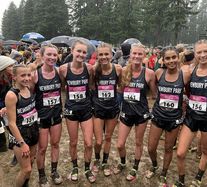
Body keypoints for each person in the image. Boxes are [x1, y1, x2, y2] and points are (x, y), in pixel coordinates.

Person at [174, 40, 207, 187]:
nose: (203, 55)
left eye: (206, 51)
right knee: (180, 153)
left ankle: (198, 178)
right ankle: (181, 180)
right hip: (191, 117)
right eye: (199, 52)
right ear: (195, 53)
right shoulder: (189, 71)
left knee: (205, 151)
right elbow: (177, 86)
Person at [145, 47, 190, 186]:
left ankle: (164, 172)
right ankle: (154, 165)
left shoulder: (185, 75)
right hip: (158, 116)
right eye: (167, 58)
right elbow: (154, 92)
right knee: (151, 148)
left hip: (174, 119)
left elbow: (190, 92)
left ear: (178, 58)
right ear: (163, 60)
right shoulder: (158, 73)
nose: (171, 61)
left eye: (173, 57)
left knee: (168, 148)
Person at [114, 43, 156, 181]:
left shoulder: (149, 73)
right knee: (120, 144)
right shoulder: (123, 71)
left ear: (144, 56)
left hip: (141, 114)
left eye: (140, 54)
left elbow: (154, 93)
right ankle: (123, 162)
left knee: (138, 142)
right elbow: (120, 90)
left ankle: (135, 167)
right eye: (135, 54)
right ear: (130, 55)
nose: (137, 56)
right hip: (126, 112)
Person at [59, 40, 95, 183]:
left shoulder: (89, 68)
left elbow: (91, 85)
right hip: (71, 111)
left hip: (86, 110)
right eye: (78, 51)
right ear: (72, 51)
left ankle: (87, 168)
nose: (81, 54)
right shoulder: (63, 69)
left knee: (88, 143)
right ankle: (74, 167)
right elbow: (62, 88)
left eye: (84, 52)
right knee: (73, 142)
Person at [32, 44, 63, 186]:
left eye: (54, 55)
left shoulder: (59, 72)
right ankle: (42, 175)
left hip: (56, 115)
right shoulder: (35, 75)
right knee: (42, 148)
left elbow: (63, 88)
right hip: (41, 117)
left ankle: (54, 171)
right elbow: (29, 94)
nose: (52, 57)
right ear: (42, 56)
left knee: (55, 144)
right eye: (49, 55)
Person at [5, 64, 39, 187]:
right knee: (26, 169)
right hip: (20, 136)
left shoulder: (28, 87)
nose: (27, 78)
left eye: (28, 75)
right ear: (14, 77)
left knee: (31, 162)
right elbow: (12, 123)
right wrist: (22, 143)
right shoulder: (12, 95)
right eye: (23, 75)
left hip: (33, 130)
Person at [92, 43, 122, 176]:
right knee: (98, 140)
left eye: (106, 54)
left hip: (112, 109)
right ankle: (97, 159)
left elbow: (120, 86)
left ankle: (105, 162)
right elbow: (91, 87)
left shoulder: (118, 69)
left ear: (111, 55)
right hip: (98, 109)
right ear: (97, 56)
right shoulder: (93, 70)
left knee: (108, 137)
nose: (104, 57)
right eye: (101, 54)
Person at [0, 56, 15, 153]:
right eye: (10, 66)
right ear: (4, 68)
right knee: (5, 128)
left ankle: (15, 148)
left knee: (12, 128)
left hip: (9, 107)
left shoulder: (11, 78)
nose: (13, 68)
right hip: (2, 108)